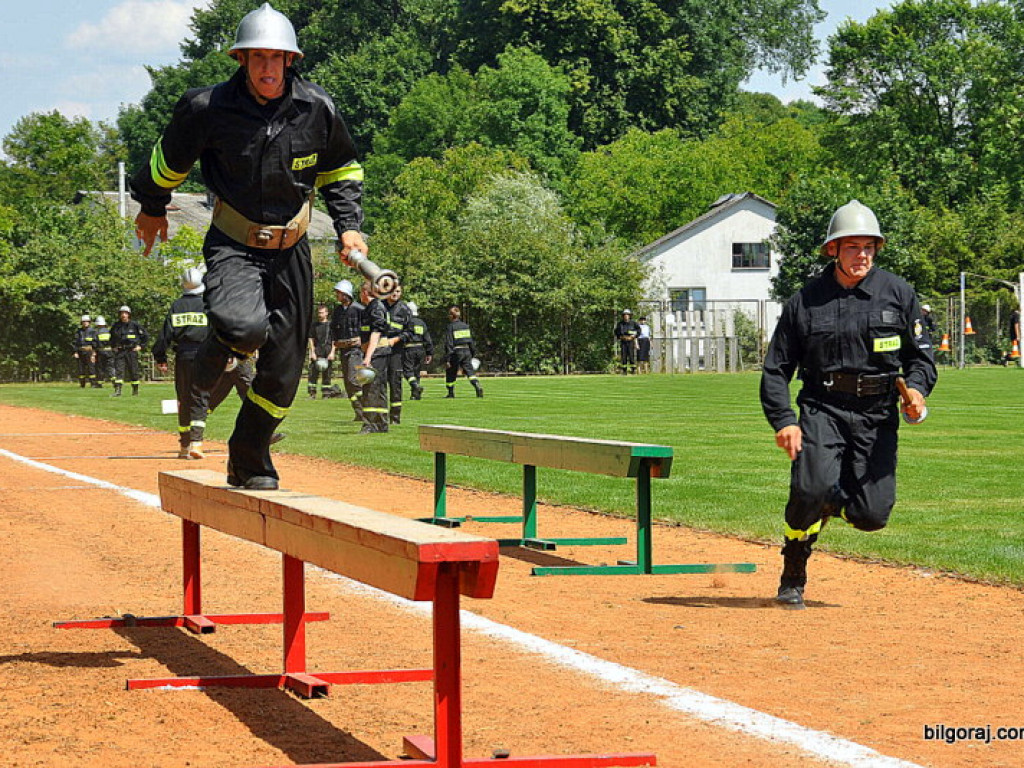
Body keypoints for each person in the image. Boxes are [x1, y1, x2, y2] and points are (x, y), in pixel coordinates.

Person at [130, 3, 368, 490]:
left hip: (293, 249)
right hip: (235, 243)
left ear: (290, 60)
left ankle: (248, 456)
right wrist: (152, 208)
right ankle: (221, 345)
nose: (266, 67)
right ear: (241, 60)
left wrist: (349, 226)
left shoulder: (317, 108)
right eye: (255, 56)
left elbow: (342, 170)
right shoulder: (207, 109)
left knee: (283, 373)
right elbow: (164, 163)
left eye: (275, 57)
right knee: (243, 326)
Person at [760, 199, 937, 608]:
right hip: (823, 407)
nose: (862, 256)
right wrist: (784, 420)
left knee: (872, 517)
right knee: (810, 487)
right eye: (853, 247)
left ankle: (829, 503)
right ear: (833, 250)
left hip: (877, 416)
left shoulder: (898, 293)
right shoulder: (805, 301)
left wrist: (916, 391)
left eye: (869, 248)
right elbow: (775, 369)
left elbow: (921, 358)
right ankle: (793, 572)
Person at [152, 268, 210, 459]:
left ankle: (184, 445)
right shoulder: (207, 304)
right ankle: (197, 443)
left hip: (182, 357)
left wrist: (160, 357)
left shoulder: (177, 305)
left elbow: (165, 334)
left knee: (183, 399)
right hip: (203, 356)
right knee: (200, 397)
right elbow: (217, 331)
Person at [357, 280, 392, 432]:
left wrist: (368, 357)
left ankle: (370, 424)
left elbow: (376, 333)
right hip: (374, 352)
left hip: (377, 352)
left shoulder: (376, 307)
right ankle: (382, 423)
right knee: (378, 387)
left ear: (365, 292)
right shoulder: (370, 308)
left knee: (370, 387)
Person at [329, 279, 366, 422]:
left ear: (346, 294)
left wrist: (360, 340)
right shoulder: (338, 311)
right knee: (347, 383)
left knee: (354, 379)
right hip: (343, 350)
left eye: (338, 292)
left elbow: (366, 329)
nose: (337, 295)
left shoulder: (359, 309)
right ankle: (358, 412)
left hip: (356, 350)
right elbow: (333, 330)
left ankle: (365, 409)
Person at [384, 283, 412, 424]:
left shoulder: (405, 310)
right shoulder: (379, 306)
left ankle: (395, 417)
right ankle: (379, 416)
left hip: (396, 351)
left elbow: (409, 332)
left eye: (398, 291)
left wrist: (396, 339)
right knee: (379, 382)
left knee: (395, 382)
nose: (395, 293)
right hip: (380, 350)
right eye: (393, 291)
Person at [443, 306, 483, 398]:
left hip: (456, 352)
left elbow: (449, 343)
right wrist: (472, 354)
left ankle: (451, 393)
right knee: (470, 371)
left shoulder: (450, 327)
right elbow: (471, 342)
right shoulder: (465, 326)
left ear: (452, 316)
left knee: (451, 372)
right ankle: (477, 385)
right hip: (467, 351)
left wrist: (448, 359)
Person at [111, 305, 148, 397]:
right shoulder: (116, 326)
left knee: (133, 371)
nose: (123, 315)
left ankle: (135, 390)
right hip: (120, 351)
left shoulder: (135, 325)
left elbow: (145, 336)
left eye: (125, 313)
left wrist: (141, 346)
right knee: (119, 371)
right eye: (122, 313)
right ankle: (118, 390)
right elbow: (111, 338)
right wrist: (113, 346)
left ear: (129, 314)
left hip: (131, 351)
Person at [402, 301, 433, 400]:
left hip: (408, 348)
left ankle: (415, 386)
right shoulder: (421, 323)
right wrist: (429, 352)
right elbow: (427, 338)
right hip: (420, 349)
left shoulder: (405, 322)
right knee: (416, 372)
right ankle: (415, 394)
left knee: (407, 372)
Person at [306, 304, 334, 399]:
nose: (320, 314)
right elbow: (311, 338)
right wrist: (312, 352)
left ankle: (326, 393)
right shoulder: (314, 325)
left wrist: (332, 352)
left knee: (327, 374)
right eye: (318, 313)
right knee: (313, 373)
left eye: (322, 312)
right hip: (317, 350)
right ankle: (312, 393)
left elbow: (334, 340)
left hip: (328, 351)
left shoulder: (331, 325)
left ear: (326, 313)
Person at [73, 314, 101, 388]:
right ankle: (82, 384)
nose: (85, 323)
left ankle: (93, 384)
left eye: (87, 321)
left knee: (91, 369)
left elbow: (96, 342)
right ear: (81, 323)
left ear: (89, 322)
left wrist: (94, 353)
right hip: (81, 352)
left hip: (90, 352)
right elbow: (75, 342)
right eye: (83, 321)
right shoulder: (78, 332)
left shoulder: (93, 332)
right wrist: (75, 352)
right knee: (81, 369)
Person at [614, 309, 640, 374]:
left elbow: (639, 331)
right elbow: (616, 332)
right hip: (623, 342)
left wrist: (633, 336)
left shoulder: (634, 323)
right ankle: (624, 371)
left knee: (631, 356)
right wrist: (621, 337)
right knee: (624, 356)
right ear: (623, 316)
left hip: (631, 341)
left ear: (629, 316)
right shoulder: (620, 324)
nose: (626, 316)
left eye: (627, 315)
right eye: (625, 315)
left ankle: (633, 370)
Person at [93, 316, 115, 387]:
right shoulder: (109, 331)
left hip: (101, 352)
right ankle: (114, 381)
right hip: (110, 351)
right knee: (110, 367)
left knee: (100, 368)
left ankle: (99, 383)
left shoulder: (96, 332)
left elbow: (94, 343)